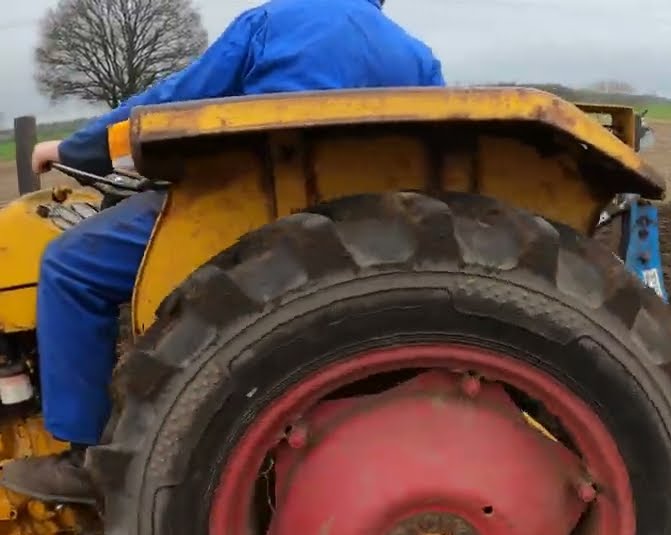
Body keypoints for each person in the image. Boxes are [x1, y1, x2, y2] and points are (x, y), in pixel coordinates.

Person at [0, 0, 445, 505]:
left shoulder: (272, 23)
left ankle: (84, 457)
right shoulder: (416, 57)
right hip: (357, 233)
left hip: (243, 212)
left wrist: (74, 149)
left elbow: (173, 103)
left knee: (69, 265)